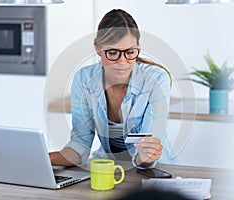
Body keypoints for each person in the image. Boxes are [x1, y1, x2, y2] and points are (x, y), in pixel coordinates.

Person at [49, 9, 173, 168]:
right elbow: (80, 143)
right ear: (98, 49)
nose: (122, 61)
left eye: (130, 52)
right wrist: (46, 159)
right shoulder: (84, 79)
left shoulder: (155, 79)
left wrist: (146, 154)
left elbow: (148, 146)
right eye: (113, 53)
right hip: (109, 168)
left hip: (155, 170)